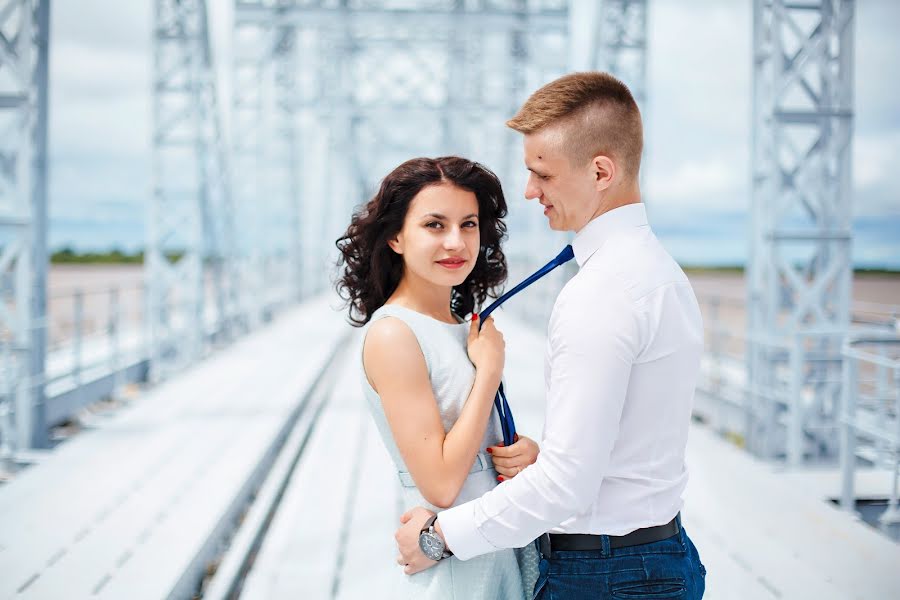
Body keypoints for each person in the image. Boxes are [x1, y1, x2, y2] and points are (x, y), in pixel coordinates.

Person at [395, 72, 707, 599]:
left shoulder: (602, 292)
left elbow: (566, 488)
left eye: (542, 173)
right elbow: (628, 442)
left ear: (601, 171)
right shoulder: (659, 272)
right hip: (658, 555)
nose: (529, 190)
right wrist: (556, 455)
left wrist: (439, 537)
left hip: (605, 576)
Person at [335, 156, 541, 599]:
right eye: (434, 225)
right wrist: (489, 372)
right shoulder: (395, 333)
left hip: (491, 548)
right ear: (395, 237)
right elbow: (442, 483)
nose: (457, 241)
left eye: (469, 224)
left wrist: (521, 453)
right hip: (454, 567)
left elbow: (472, 439)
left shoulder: (459, 324)